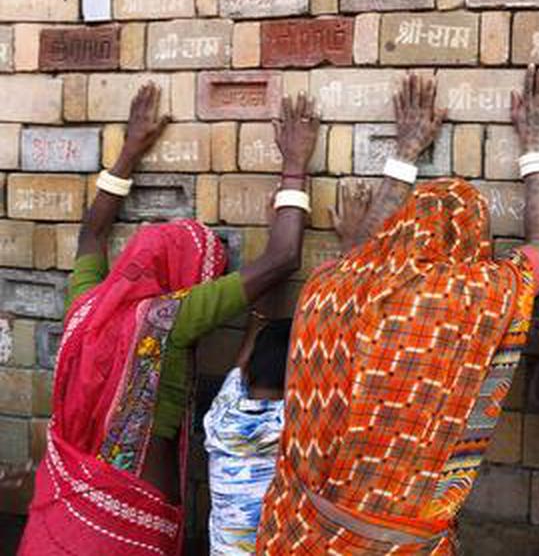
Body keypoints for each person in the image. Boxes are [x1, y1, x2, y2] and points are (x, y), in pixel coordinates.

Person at [256, 63, 539, 554]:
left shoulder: (327, 285)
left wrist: (404, 154)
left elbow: (365, 251)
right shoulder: (474, 297)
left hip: (297, 533)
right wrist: (536, 146)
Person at [18, 85, 321, 555]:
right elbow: (283, 258)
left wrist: (130, 150)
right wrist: (295, 166)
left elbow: (90, 237)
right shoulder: (167, 321)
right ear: (184, 277)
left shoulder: (88, 305)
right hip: (126, 523)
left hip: (63, 509)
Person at [203, 182, 373, 555]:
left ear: (245, 373)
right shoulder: (298, 430)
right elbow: (346, 346)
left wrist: (272, 249)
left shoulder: (224, 415)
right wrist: (352, 247)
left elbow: (254, 329)